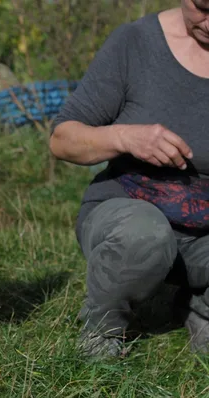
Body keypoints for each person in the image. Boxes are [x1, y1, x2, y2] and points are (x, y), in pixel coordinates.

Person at [50, 0, 209, 358]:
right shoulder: (134, 43)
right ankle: (102, 328)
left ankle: (199, 308)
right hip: (128, 218)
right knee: (145, 235)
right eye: (203, 7)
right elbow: (62, 139)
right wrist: (125, 137)